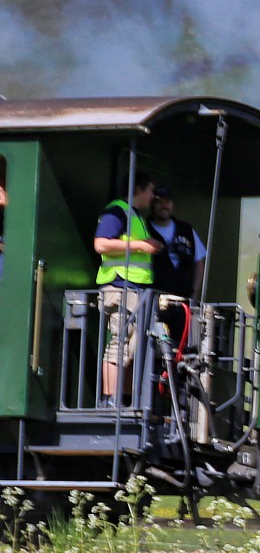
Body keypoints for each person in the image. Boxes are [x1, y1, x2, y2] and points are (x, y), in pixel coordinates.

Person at [93, 172, 161, 402]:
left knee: (132, 346)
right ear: (139, 190)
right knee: (119, 344)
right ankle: (110, 399)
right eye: (150, 190)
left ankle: (122, 399)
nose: (153, 196)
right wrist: (141, 245)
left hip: (135, 290)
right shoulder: (117, 211)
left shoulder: (136, 216)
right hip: (119, 287)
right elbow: (101, 244)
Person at [149, 191, 209, 300]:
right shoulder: (145, 229)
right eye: (159, 202)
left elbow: (199, 263)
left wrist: (194, 292)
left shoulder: (186, 229)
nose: (164, 205)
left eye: (167, 201)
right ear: (151, 203)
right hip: (154, 298)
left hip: (183, 297)